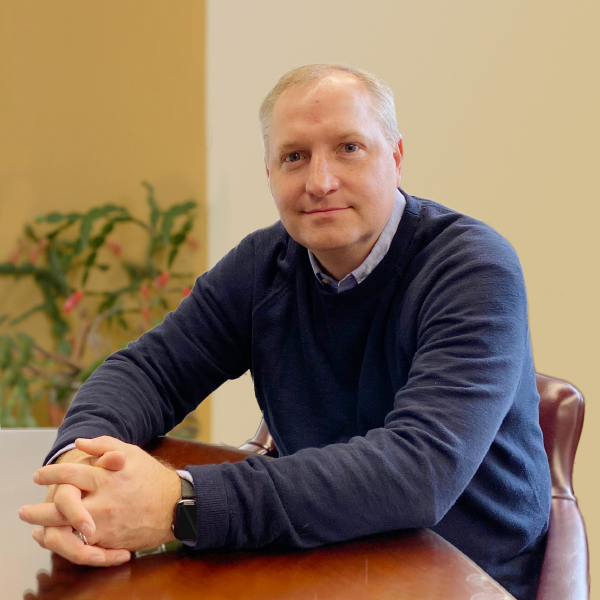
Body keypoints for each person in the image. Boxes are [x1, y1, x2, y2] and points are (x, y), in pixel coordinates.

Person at [19, 64, 551, 600]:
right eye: (294, 156)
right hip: (321, 558)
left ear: (395, 156)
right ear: (270, 172)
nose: (320, 181)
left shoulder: (474, 268)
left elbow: (418, 472)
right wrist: (81, 462)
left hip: (467, 576)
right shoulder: (263, 264)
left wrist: (181, 503)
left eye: (348, 148)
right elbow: (150, 370)